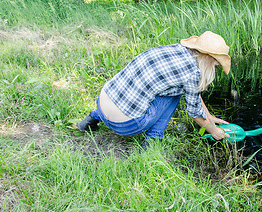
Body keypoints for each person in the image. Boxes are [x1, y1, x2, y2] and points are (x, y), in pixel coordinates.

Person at [77, 31, 231, 150]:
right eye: (216, 63)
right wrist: (213, 131)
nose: (216, 66)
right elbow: (194, 112)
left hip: (102, 104)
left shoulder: (174, 50)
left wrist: (209, 116)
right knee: (175, 94)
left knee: (139, 88)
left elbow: (193, 93)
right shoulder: (193, 73)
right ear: (208, 58)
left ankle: (89, 121)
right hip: (125, 125)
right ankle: (153, 140)